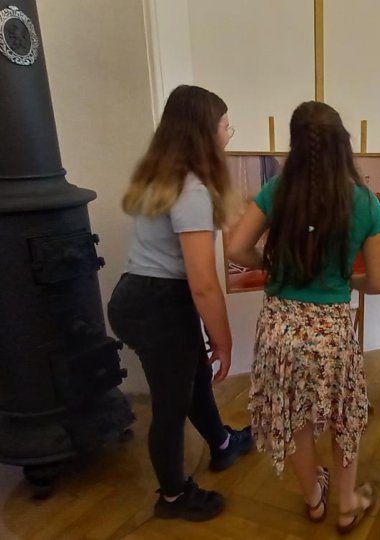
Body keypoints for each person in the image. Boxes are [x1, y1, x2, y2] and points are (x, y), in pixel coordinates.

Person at [227, 101, 380, 534]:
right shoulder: (364, 202)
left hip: (279, 328)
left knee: (295, 415)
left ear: (296, 144)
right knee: (344, 417)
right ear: (342, 143)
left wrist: (274, 266)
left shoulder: (277, 190)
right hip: (331, 331)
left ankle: (314, 499)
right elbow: (377, 283)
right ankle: (347, 505)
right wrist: (342, 281)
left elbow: (236, 248)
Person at [107, 85, 253, 523]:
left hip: (143, 296)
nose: (229, 133)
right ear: (204, 131)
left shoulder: (164, 174)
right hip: (157, 304)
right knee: (171, 405)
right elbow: (203, 283)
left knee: (193, 381)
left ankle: (222, 444)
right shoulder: (191, 189)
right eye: (225, 125)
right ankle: (173, 496)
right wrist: (224, 341)